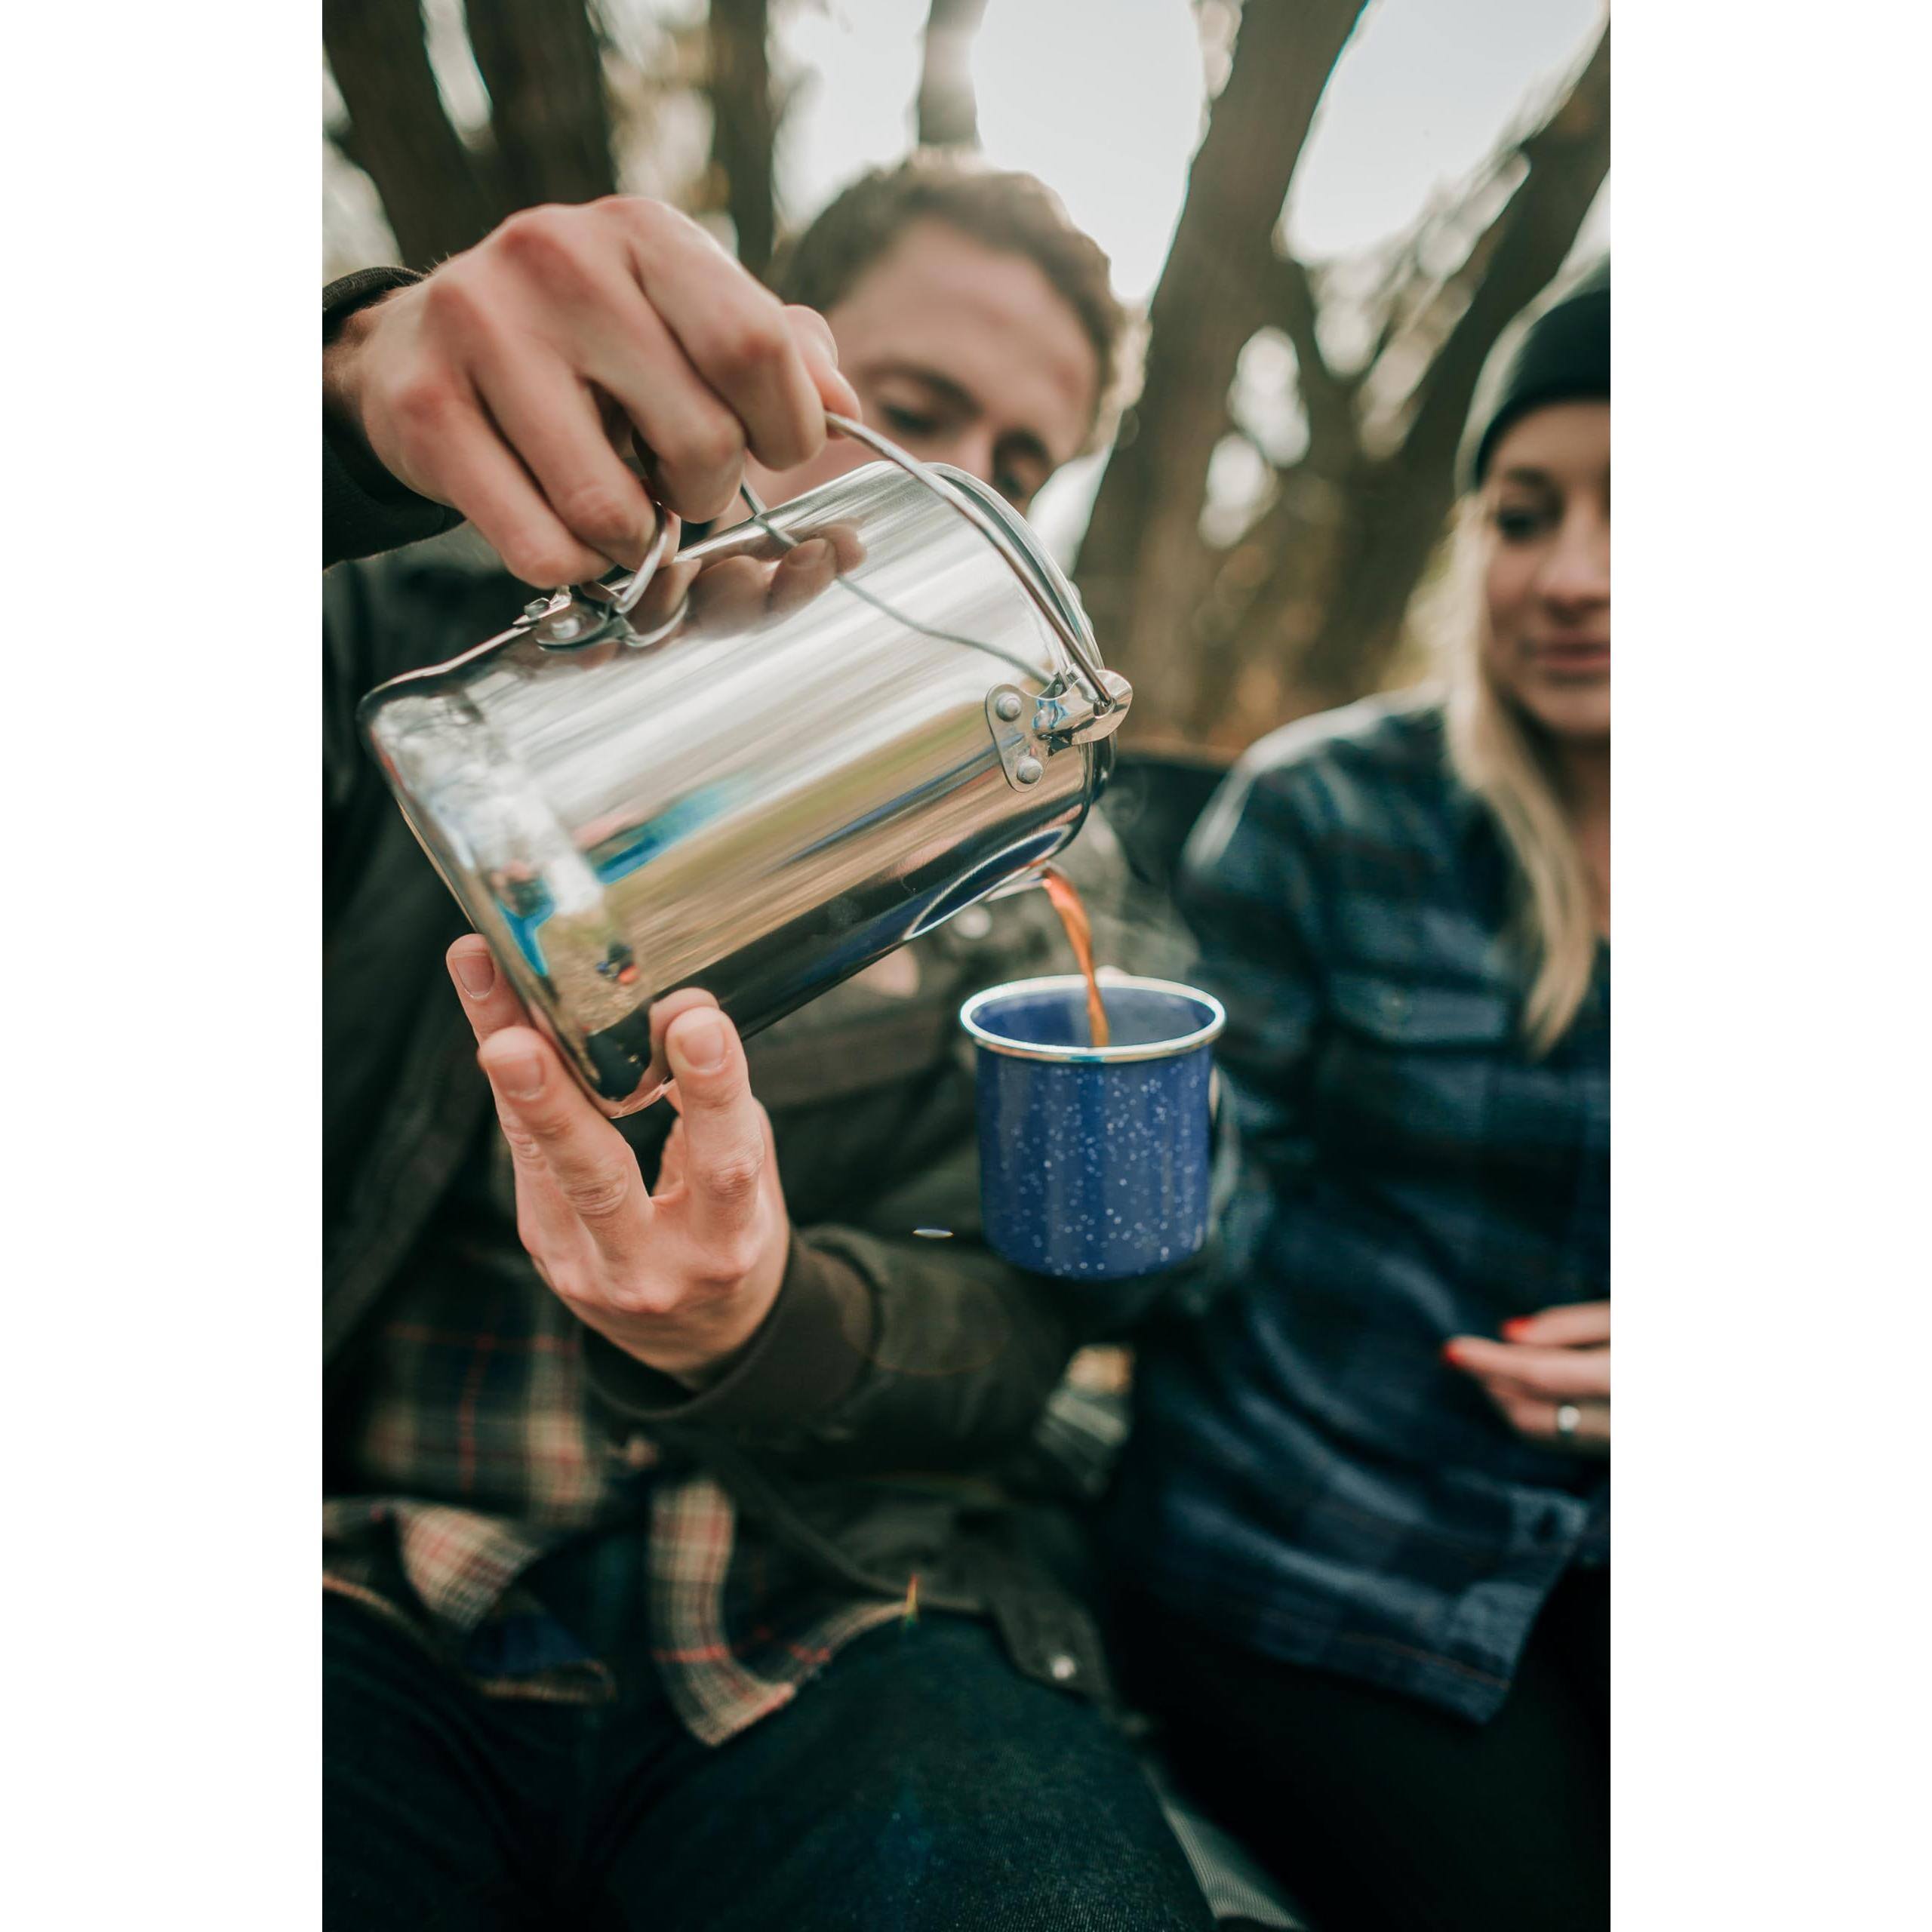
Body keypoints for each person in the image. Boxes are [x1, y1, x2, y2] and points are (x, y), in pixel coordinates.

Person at [324, 157, 1216, 1930]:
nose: (965, 481)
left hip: (834, 1612)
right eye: (916, 408)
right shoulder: (402, 625)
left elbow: (1043, 1308)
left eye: (1020, 458)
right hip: (364, 1582)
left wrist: (769, 1321)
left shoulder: (1037, 829)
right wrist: (348, 394)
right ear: (750, 359)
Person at [1109, 261, 1612, 1932]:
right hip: (1327, 1544)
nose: (1573, 575)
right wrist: (1124, 1148)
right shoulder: (1327, 811)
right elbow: (1204, 1221)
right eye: (1523, 515)